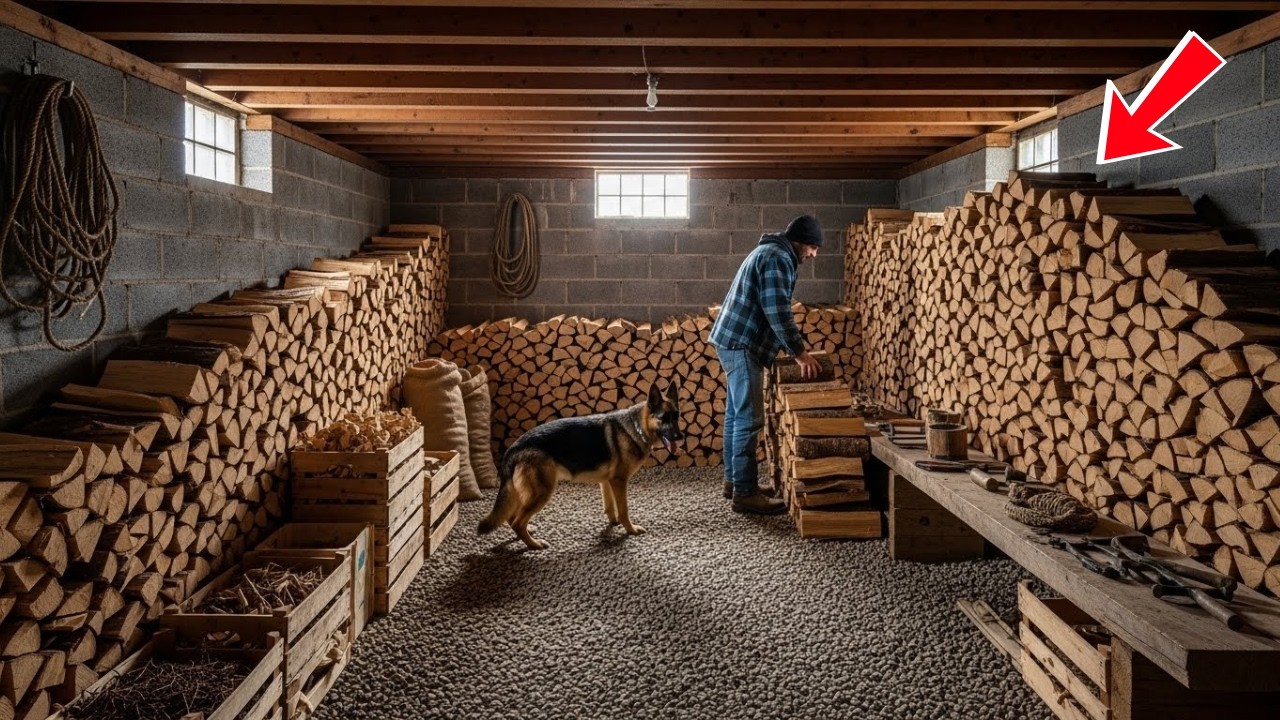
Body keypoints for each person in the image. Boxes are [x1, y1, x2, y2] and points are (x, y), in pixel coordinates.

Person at [709, 214, 824, 515]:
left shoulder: (771, 252)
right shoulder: (777, 258)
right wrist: (799, 353)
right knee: (749, 419)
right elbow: (777, 310)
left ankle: (734, 483)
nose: (814, 254)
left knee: (736, 415)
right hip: (742, 344)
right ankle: (745, 494)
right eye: (813, 246)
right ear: (800, 242)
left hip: (733, 341)